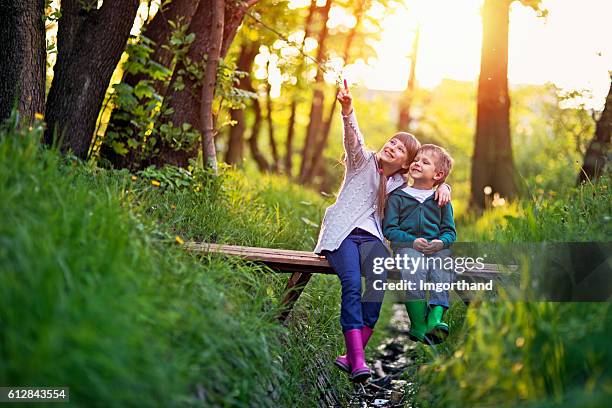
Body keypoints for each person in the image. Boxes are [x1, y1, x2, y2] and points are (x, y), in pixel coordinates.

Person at [314, 82, 451, 382]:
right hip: (343, 235)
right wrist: (347, 109)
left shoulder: (401, 185)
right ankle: (358, 360)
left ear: (406, 163)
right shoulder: (362, 161)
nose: (392, 147)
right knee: (351, 283)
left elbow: (427, 183)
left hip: (372, 239)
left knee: (377, 284)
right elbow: (353, 138)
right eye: (392, 142)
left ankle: (351, 356)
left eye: (401, 149)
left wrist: (446, 187)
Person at [383, 144, 457, 344]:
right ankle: (417, 324)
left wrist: (440, 243)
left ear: (438, 174)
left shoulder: (441, 199)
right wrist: (411, 241)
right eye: (416, 160)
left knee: (443, 265)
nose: (417, 163)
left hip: (436, 249)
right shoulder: (398, 197)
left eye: (425, 162)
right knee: (414, 267)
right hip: (407, 248)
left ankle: (435, 319)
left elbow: (450, 232)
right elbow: (389, 229)